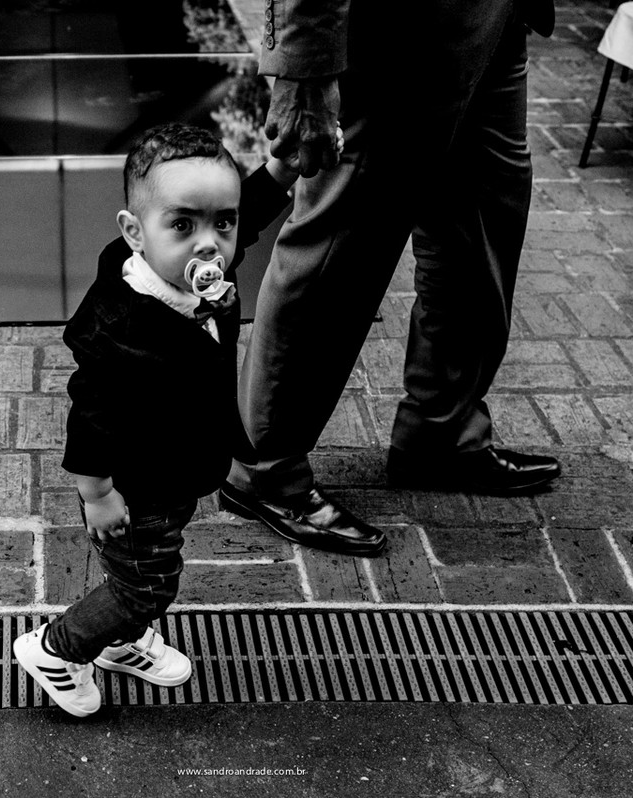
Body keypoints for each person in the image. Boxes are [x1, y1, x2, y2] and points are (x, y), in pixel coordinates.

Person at [218, 0, 561, 558]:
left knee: (481, 224)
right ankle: (264, 466)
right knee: (344, 240)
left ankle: (441, 431)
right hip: (398, 31)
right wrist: (305, 64)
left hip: (496, 20)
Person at [13, 123, 299, 717]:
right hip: (134, 487)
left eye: (222, 223)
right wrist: (97, 494)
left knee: (149, 567)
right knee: (146, 585)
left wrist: (280, 171)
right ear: (134, 232)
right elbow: (92, 413)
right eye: (183, 225)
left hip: (176, 466)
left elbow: (245, 218)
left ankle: (120, 642)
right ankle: (58, 650)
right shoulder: (123, 330)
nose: (209, 245)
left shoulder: (186, 271)